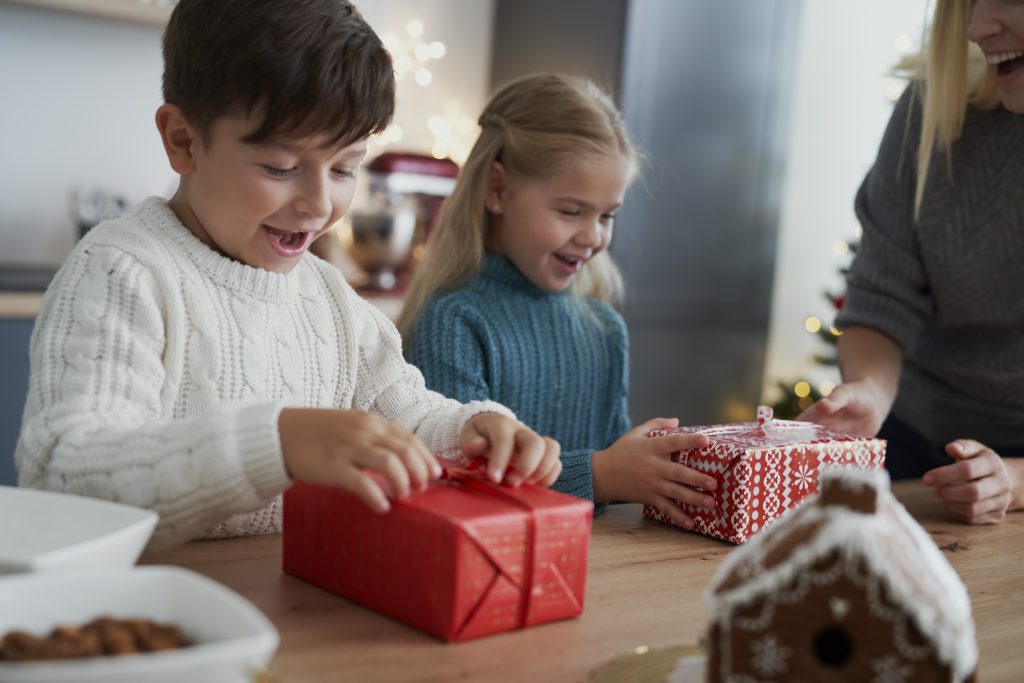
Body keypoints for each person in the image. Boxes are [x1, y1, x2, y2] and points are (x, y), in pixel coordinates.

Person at [14, 0, 561, 551]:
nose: (319, 204)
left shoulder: (326, 297)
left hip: (295, 610)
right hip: (150, 618)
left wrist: (471, 430)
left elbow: (407, 413)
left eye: (346, 168)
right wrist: (273, 443)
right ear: (183, 140)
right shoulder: (121, 271)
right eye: (281, 167)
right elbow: (66, 476)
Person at [397, 74, 716, 528]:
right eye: (570, 211)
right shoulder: (453, 321)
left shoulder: (604, 329)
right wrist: (603, 475)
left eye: (607, 215)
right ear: (497, 190)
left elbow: (614, 488)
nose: (593, 237)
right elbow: (456, 487)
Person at [798, 0, 1024, 524]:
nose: (976, 29)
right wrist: (872, 392)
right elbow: (880, 299)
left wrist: (1012, 479)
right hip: (912, 438)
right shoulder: (932, 109)